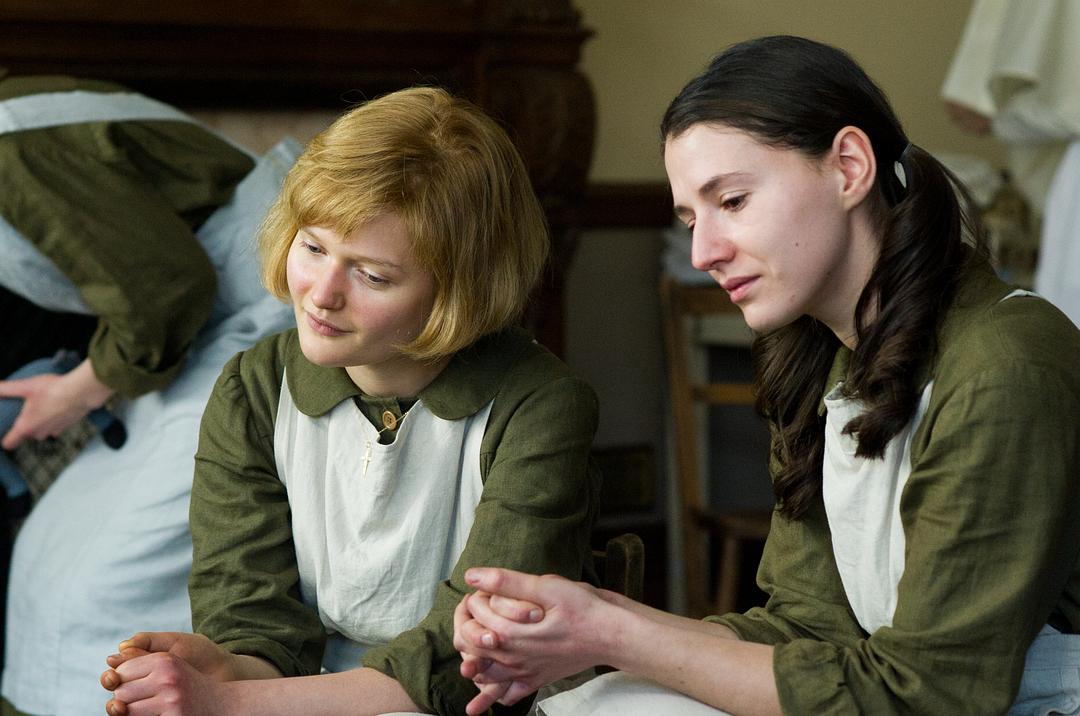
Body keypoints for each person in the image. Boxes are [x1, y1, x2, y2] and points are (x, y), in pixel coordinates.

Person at [453, 35, 1080, 716]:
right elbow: (806, 628)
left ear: (848, 167)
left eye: (732, 201)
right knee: (593, 703)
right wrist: (586, 621)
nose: (703, 252)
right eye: (690, 218)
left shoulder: (1003, 365)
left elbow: (930, 695)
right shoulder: (821, 361)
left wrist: (615, 634)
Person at [98, 85, 601, 716]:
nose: (321, 294)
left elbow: (469, 662)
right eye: (313, 247)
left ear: (462, 290)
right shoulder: (253, 388)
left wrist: (232, 702)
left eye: (372, 274)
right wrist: (230, 666)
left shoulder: (542, 406)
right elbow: (255, 623)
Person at [0, 70, 254, 676]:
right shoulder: (16, 114)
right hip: (200, 328)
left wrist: (73, 393)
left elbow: (167, 288)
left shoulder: (13, 151)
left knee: (91, 588)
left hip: (260, 314)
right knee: (52, 557)